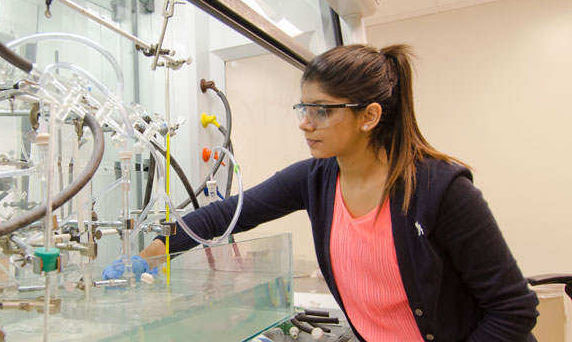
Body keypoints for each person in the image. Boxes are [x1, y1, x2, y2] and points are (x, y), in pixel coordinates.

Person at [105, 44, 539, 341]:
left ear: (370, 116)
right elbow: (226, 216)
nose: (305, 122)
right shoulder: (315, 179)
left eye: (321, 110)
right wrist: (146, 257)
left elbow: (513, 308)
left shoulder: (440, 190)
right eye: (303, 108)